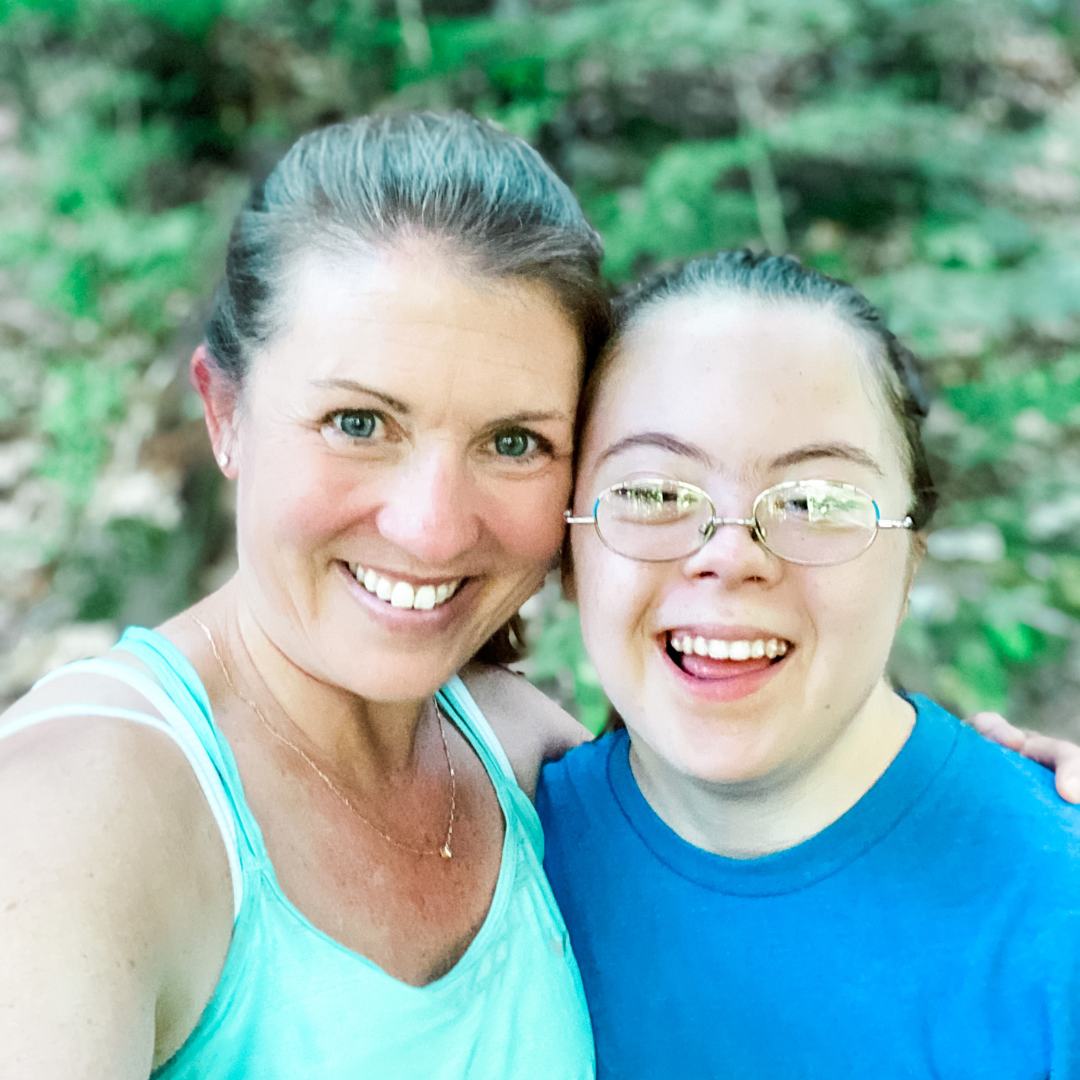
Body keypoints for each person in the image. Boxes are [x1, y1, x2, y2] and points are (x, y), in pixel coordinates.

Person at [0, 112, 608, 1078]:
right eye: (359, 421)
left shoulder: (528, 760)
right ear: (225, 414)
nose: (433, 528)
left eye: (512, 443)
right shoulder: (78, 817)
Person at [541, 250, 1080, 1078]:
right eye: (653, 493)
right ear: (570, 553)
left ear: (909, 564)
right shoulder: (482, 868)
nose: (730, 557)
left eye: (814, 502)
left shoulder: (1055, 913)